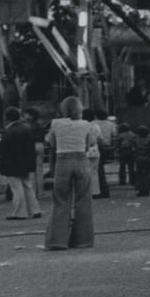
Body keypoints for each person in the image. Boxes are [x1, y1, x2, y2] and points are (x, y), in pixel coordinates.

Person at [44, 94, 100, 250]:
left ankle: (58, 241)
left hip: (63, 160)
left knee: (61, 200)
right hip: (81, 160)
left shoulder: (56, 123)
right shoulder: (86, 124)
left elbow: (51, 142)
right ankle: (84, 240)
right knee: (83, 200)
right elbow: (91, 143)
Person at [0, 107, 43, 220]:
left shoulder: (9, 131)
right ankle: (35, 210)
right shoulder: (27, 128)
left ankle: (20, 212)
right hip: (26, 161)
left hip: (12, 163)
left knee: (16, 187)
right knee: (27, 185)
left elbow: (2, 148)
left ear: (7, 118)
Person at [85, 107, 113, 198]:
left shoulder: (82, 126)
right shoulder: (95, 126)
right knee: (95, 172)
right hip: (95, 150)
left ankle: (87, 191)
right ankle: (97, 191)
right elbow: (100, 139)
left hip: (84, 150)